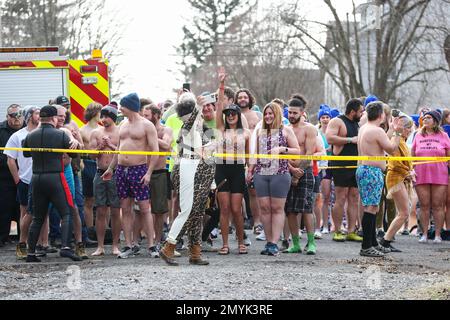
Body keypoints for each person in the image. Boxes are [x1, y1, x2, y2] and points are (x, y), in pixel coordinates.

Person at [160, 93, 216, 266]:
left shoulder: (200, 128)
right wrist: (198, 107)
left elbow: (203, 150)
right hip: (188, 166)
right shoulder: (189, 125)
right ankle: (169, 245)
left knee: (197, 213)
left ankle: (195, 252)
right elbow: (191, 130)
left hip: (198, 168)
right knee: (187, 210)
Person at [102, 93, 159, 259]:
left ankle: (151, 245)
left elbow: (155, 151)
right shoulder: (122, 124)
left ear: (131, 106)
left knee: (144, 208)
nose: (120, 109)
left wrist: (149, 172)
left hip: (139, 169)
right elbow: (118, 150)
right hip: (121, 170)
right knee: (125, 208)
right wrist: (111, 168)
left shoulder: (147, 125)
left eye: (122, 106)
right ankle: (128, 245)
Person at [22, 106, 81, 262]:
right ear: (54, 118)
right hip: (55, 177)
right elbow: (74, 154)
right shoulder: (60, 134)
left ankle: (31, 253)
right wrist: (74, 143)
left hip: (37, 178)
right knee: (67, 212)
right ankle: (66, 247)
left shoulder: (30, 136)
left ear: (40, 118)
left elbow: (26, 153)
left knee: (38, 217)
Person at [247, 102, 300, 256]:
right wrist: (250, 170)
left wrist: (282, 149)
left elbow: (297, 151)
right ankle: (269, 241)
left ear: (277, 115)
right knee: (264, 208)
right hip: (261, 174)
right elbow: (254, 154)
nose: (268, 116)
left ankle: (274, 243)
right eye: (266, 114)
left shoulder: (286, 131)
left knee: (277, 208)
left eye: (271, 113)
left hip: (280, 173)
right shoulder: (260, 132)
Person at [4, 107, 51, 259]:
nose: (40, 116)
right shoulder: (18, 136)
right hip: (25, 180)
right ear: (30, 116)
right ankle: (22, 244)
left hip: (42, 178)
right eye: (37, 113)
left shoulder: (44, 134)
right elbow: (10, 159)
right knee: (25, 212)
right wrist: (17, 179)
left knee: (44, 213)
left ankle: (43, 243)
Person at [356, 102, 401, 257]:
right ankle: (366, 246)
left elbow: (380, 143)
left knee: (372, 207)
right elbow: (391, 148)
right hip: (371, 171)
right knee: (371, 208)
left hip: (364, 170)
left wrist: (392, 129)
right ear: (381, 115)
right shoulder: (376, 130)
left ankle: (373, 242)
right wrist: (398, 133)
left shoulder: (364, 128)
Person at [215, 69, 250, 255]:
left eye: (233, 113)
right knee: (225, 208)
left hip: (237, 169)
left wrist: (250, 169)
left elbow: (248, 153)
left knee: (237, 209)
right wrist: (221, 85)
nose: (229, 115)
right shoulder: (220, 128)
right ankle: (225, 243)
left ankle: (241, 241)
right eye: (227, 114)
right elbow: (219, 106)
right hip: (221, 168)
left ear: (238, 115)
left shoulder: (245, 132)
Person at [326, 99, 364, 242]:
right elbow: (329, 138)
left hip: (356, 164)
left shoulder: (357, 124)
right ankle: (337, 230)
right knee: (340, 198)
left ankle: (350, 231)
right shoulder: (337, 121)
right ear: (353, 111)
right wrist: (350, 140)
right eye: (360, 111)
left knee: (354, 198)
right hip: (341, 163)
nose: (362, 114)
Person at [283, 96, 317, 255]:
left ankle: (311, 243)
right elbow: (282, 154)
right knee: (290, 210)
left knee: (307, 209)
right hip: (288, 170)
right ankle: (295, 243)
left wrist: (298, 174)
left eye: (294, 113)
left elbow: (309, 153)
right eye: (289, 112)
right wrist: (291, 169)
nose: (291, 115)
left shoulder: (309, 129)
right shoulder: (284, 128)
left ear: (302, 113)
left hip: (305, 172)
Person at [411, 110, 450, 243]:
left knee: (438, 205)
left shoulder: (444, 135)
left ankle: (438, 235)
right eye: (424, 118)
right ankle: (424, 234)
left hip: (440, 174)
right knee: (424, 205)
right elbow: (412, 155)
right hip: (421, 174)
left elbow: (448, 157)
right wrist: (411, 170)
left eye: (428, 118)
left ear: (435, 121)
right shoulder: (417, 135)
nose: (425, 120)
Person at [379, 115, 415, 252]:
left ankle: (386, 240)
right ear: (402, 128)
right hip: (395, 177)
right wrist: (407, 173)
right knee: (404, 213)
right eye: (408, 128)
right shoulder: (397, 140)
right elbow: (395, 163)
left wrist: (408, 172)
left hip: (400, 177)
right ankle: (385, 241)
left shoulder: (403, 141)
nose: (410, 131)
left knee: (403, 212)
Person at [90, 105, 122, 256]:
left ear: (113, 117)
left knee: (116, 211)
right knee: (101, 211)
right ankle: (100, 246)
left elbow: (124, 154)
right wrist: (100, 147)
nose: (104, 120)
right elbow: (91, 155)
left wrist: (111, 145)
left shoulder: (121, 132)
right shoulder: (96, 133)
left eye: (107, 116)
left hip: (116, 173)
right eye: (102, 116)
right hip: (100, 173)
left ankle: (115, 245)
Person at [143, 104, 173, 248]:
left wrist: (152, 136)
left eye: (147, 115)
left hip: (160, 172)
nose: (144, 118)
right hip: (142, 171)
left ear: (156, 115)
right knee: (141, 208)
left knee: (159, 210)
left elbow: (167, 145)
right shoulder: (142, 129)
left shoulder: (165, 129)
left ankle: (158, 240)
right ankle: (140, 241)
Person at [0, 104, 23, 246]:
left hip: (24, 174)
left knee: (23, 207)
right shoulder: (1, 130)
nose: (16, 118)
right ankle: (3, 237)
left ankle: (24, 238)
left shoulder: (28, 129)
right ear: (7, 116)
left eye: (19, 115)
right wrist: (8, 161)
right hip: (4, 176)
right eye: (13, 115)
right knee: (4, 207)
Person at [80, 102, 103, 229]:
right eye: (100, 113)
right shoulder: (82, 130)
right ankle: (89, 230)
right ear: (94, 113)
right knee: (89, 199)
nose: (102, 116)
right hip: (88, 164)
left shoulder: (103, 129)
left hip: (102, 164)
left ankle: (105, 229)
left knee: (104, 201)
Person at [318, 105, 332, 234]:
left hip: (336, 164)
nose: (325, 119)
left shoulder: (333, 131)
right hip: (323, 165)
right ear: (320, 119)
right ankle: (325, 224)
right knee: (325, 196)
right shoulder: (317, 132)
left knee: (338, 196)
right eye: (323, 117)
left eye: (327, 117)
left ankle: (334, 224)